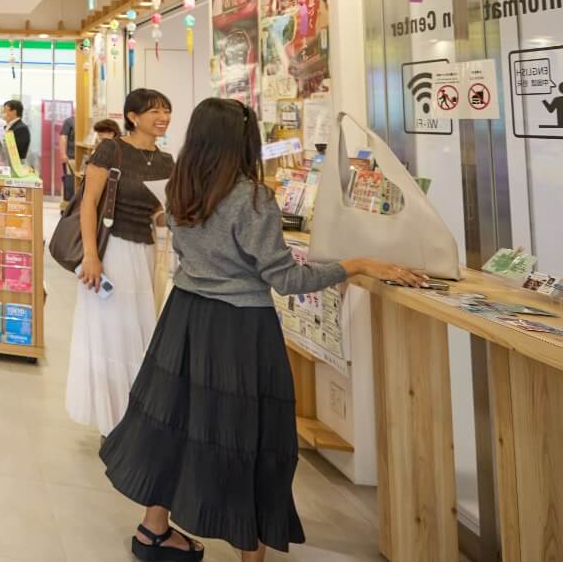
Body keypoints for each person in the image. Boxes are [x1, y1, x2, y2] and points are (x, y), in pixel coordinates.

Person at [100, 98, 426, 562]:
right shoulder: (250, 199)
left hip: (186, 319)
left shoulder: (179, 189)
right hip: (240, 330)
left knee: (175, 421)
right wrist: (355, 264)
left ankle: (154, 531)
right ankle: (250, 551)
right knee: (245, 435)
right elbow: (286, 279)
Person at [66, 88, 174, 437]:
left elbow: (158, 214)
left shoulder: (166, 161)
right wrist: (91, 256)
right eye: (154, 111)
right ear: (133, 116)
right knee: (109, 332)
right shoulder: (111, 150)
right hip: (109, 251)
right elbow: (88, 203)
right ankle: (109, 420)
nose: (163, 117)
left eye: (166, 111)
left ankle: (131, 416)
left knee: (139, 332)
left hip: (145, 252)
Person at [2, 99, 32, 165]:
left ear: (14, 112)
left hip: (17, 165)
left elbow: (17, 150)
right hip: (7, 163)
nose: (3, 113)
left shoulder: (21, 128)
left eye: (5, 110)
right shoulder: (7, 126)